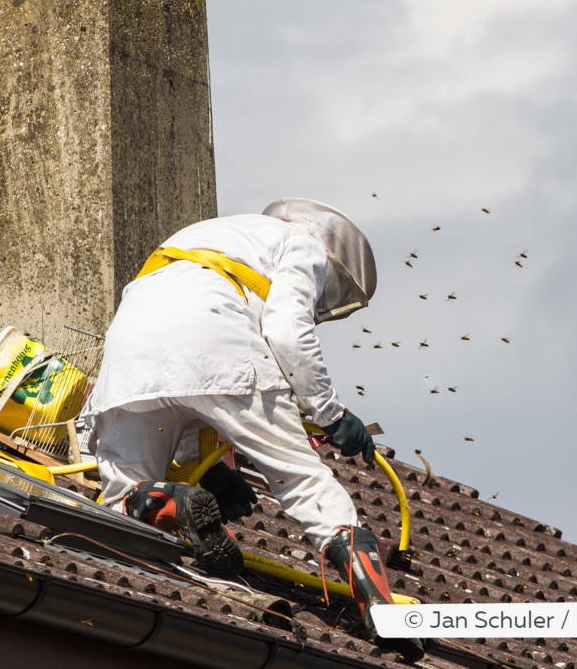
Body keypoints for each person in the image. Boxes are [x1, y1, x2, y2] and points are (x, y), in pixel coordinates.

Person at [83, 198, 422, 660]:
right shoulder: (303, 246)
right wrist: (332, 415)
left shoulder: (215, 233)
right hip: (218, 338)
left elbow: (181, 387)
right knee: (307, 484)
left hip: (131, 349)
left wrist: (202, 473)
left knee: (120, 495)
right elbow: (286, 331)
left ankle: (168, 500)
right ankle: (382, 612)